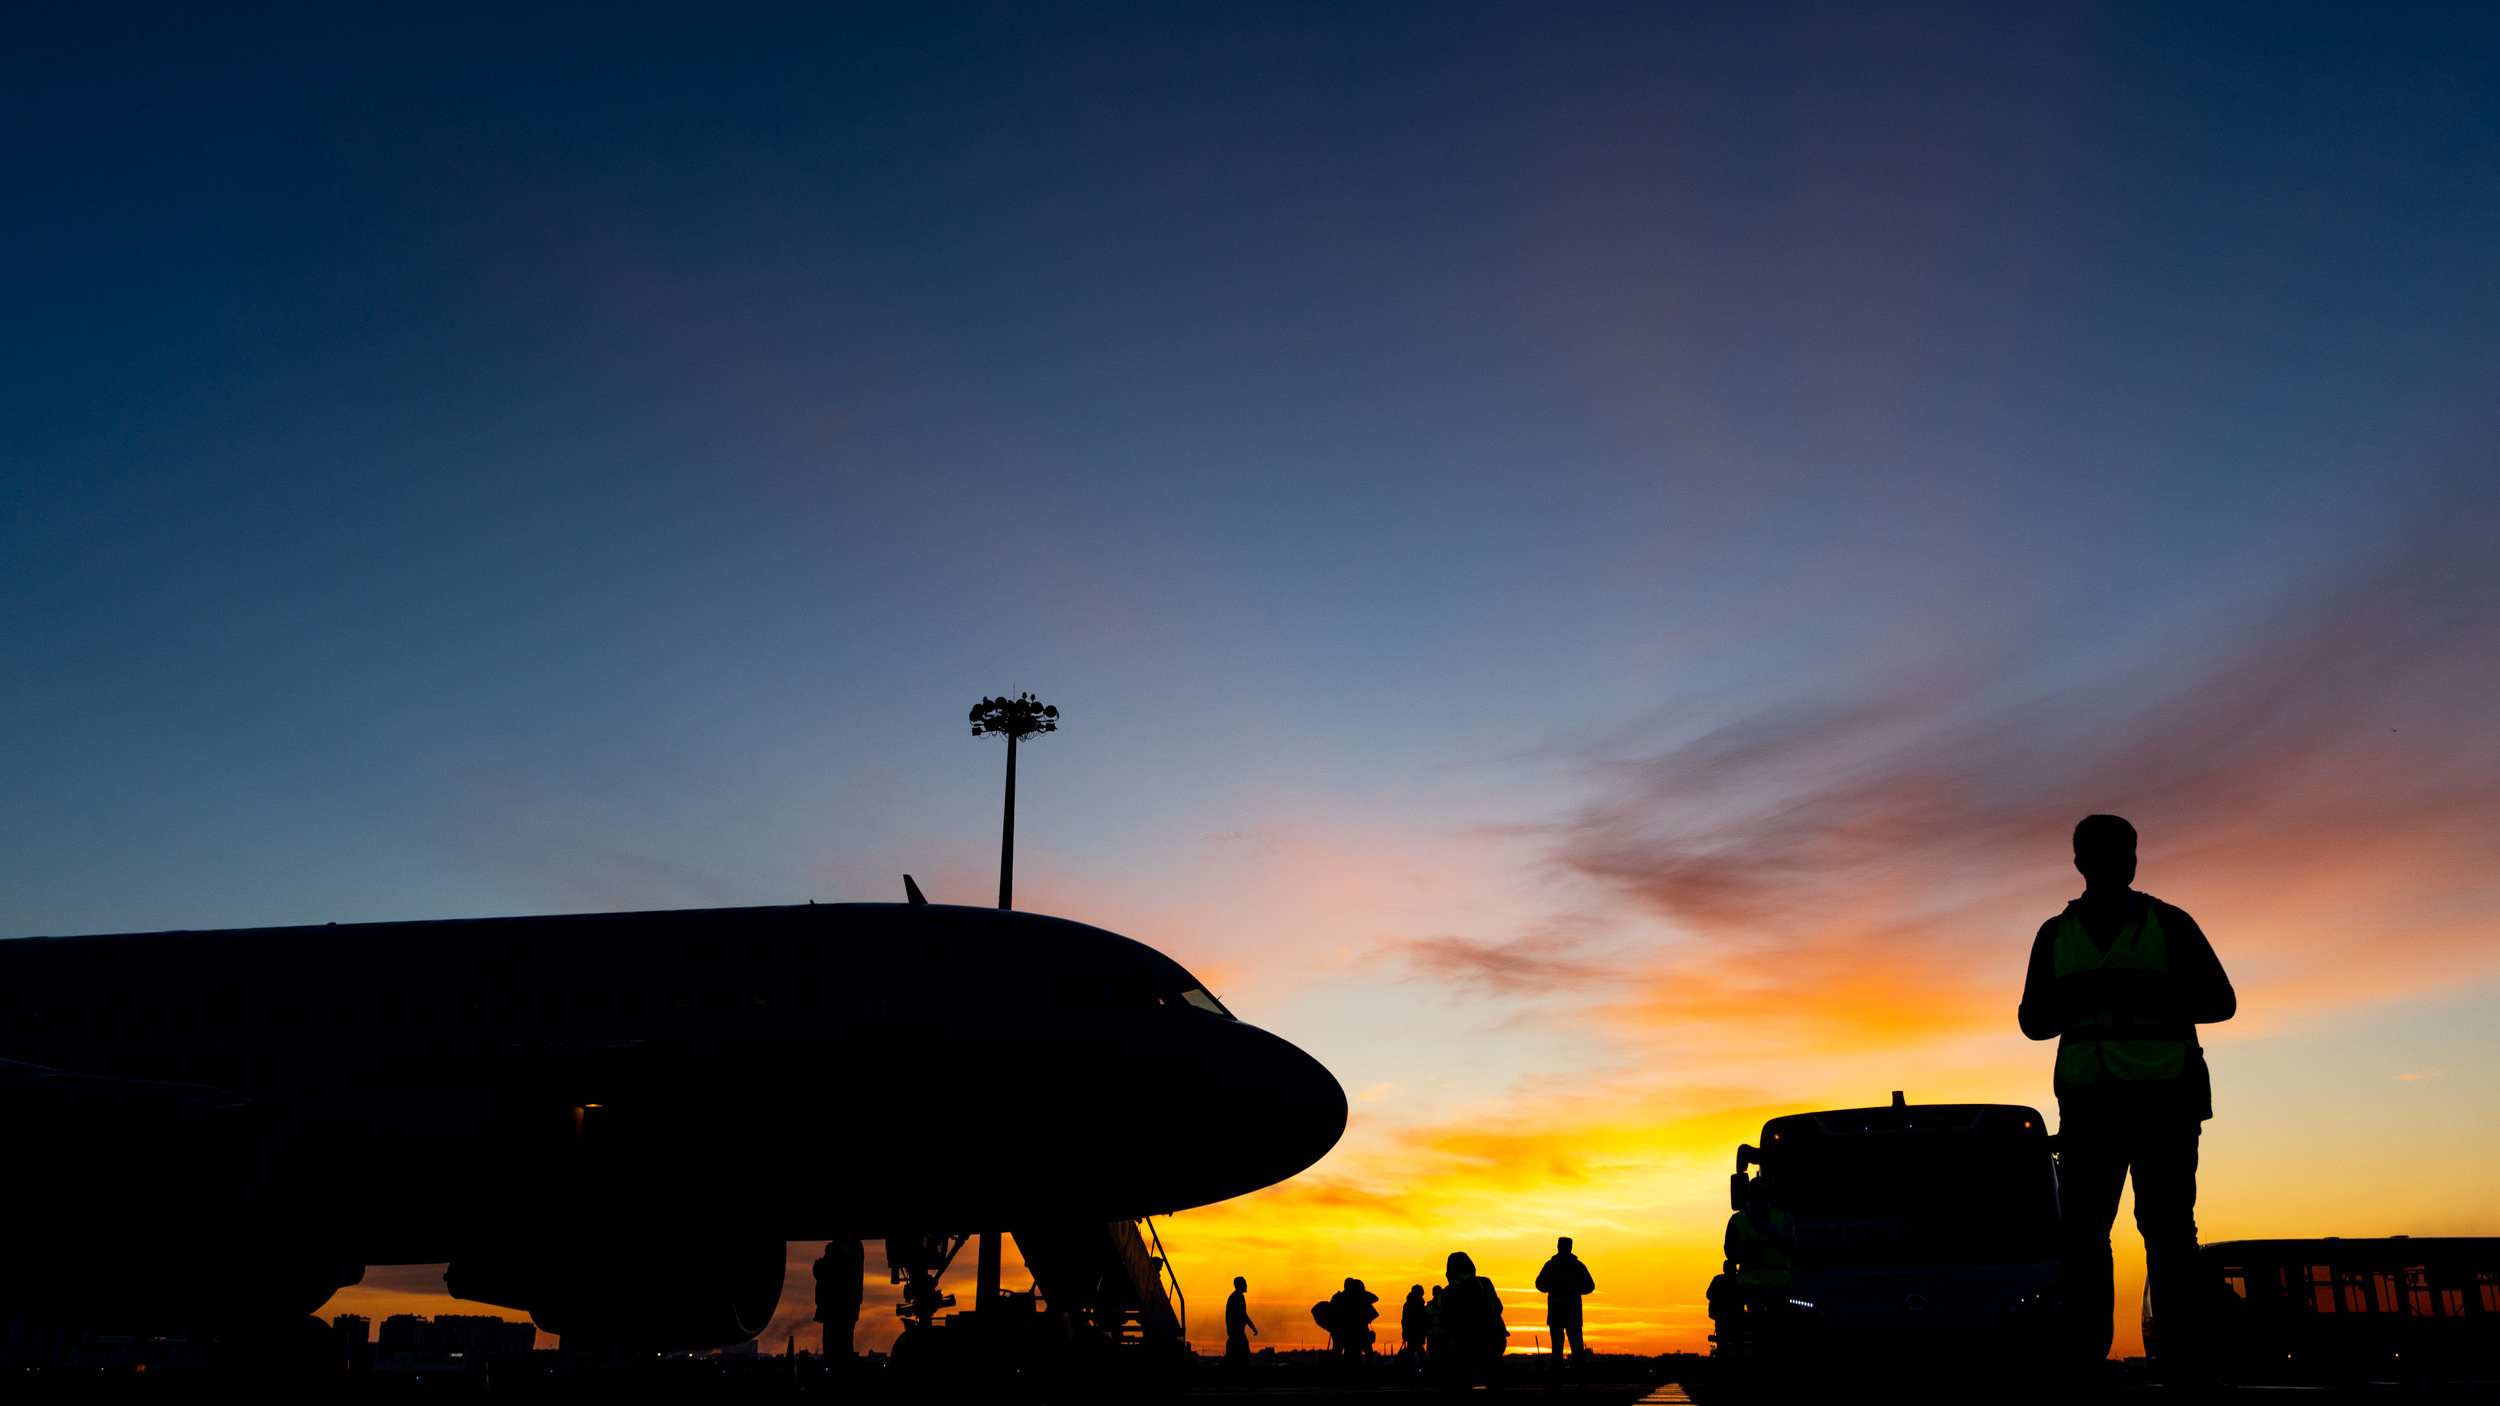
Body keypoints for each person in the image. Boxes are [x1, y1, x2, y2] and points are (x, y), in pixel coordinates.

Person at [2020, 814, 2235, 1388]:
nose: (2120, 862)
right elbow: (2032, 1022)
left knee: (2166, 1230)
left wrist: (2141, 989)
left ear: (2134, 860)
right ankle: (2084, 1360)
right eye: (2107, 852)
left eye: (2125, 852)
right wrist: (2076, 997)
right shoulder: (2055, 934)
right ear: (2081, 863)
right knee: (2086, 1233)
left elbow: (2221, 1001)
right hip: (2091, 1103)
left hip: (2165, 1100)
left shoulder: (2170, 924)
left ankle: (2185, 1361)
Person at [1722, 1179, 1795, 1359]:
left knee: (1778, 1327)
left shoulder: (1782, 1218)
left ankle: (1778, 1365)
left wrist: (1774, 1230)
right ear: (1750, 1197)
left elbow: (1792, 1245)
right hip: (1751, 1284)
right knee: (1758, 1326)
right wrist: (1746, 1250)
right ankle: (1762, 1367)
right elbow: (1729, 1250)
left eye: (1764, 1197)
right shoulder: (1737, 1221)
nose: (1761, 1202)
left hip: (1778, 1283)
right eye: (1758, 1197)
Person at [1438, 1252, 1507, 1383]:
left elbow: (1445, 1320)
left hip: (1461, 1342)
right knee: (1495, 1376)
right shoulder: (1483, 1283)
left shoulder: (1445, 1293)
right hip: (1490, 1338)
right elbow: (1498, 1308)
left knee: (1459, 1379)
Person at [1534, 1235, 1596, 1371]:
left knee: (1557, 1348)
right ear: (1571, 1247)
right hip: (1572, 1313)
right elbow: (1590, 1286)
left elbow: (1539, 1284)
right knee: (1577, 1348)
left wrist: (1551, 1288)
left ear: (1558, 1247)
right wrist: (1576, 1290)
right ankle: (1580, 1378)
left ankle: (1557, 1378)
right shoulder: (1577, 1266)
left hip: (1557, 1313)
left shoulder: (1551, 1265)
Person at [812, 1238, 864, 1361]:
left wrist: (818, 1267)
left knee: (833, 1351)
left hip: (835, 1307)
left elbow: (823, 1272)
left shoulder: (836, 1250)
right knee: (844, 1349)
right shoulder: (856, 1247)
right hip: (849, 1307)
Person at [1327, 1277, 1379, 1358]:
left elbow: (1375, 1298)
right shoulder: (1345, 1298)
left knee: (1342, 1354)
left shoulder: (1357, 1298)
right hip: (1348, 1332)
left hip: (1349, 1332)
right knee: (1365, 1354)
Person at [1224, 1276, 1257, 1368]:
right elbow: (1242, 1315)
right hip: (1236, 1331)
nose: (1246, 1285)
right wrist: (1252, 1327)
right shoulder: (1237, 1297)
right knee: (1242, 1354)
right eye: (1244, 1283)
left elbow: (1242, 1315)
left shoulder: (1236, 1297)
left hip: (1235, 1331)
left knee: (1235, 1354)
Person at [1399, 1284, 1429, 1366]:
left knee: (1412, 1354)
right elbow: (1410, 1320)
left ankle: (1412, 1370)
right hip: (1414, 1333)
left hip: (1412, 1333)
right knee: (1420, 1354)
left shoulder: (1410, 1304)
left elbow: (1404, 1320)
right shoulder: (1416, 1304)